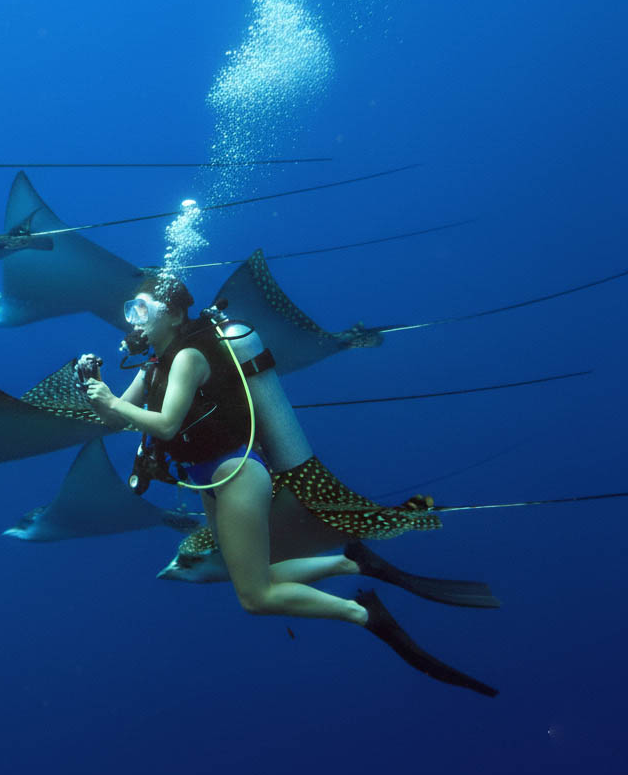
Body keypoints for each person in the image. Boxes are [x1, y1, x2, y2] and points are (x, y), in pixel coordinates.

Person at [82, 276, 498, 696]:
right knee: (254, 576)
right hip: (208, 479)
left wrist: (114, 403)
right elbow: (118, 419)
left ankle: (363, 615)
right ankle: (352, 564)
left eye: (142, 310)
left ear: (172, 313)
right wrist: (99, 397)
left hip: (237, 474)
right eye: (130, 312)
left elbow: (167, 423)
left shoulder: (189, 357)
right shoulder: (156, 365)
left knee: (255, 598)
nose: (134, 322)